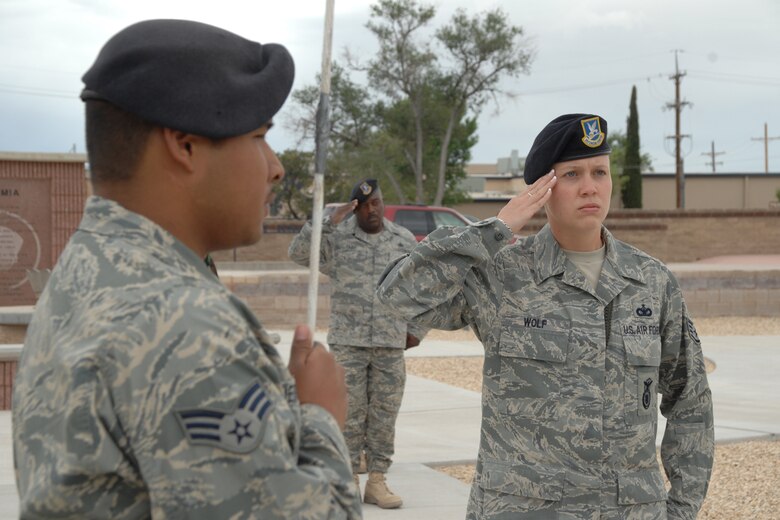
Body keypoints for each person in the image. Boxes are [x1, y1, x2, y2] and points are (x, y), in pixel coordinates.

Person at [12, 19, 361, 519]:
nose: (275, 166)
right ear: (186, 145)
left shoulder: (90, 267)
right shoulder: (186, 322)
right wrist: (319, 417)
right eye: (260, 136)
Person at [377, 114, 714, 519]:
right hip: (524, 508)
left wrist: (680, 509)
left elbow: (690, 401)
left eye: (600, 172)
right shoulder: (501, 274)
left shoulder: (652, 282)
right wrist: (495, 228)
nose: (590, 187)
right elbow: (396, 295)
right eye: (572, 174)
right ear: (541, 189)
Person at [289, 179, 426, 509]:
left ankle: (377, 480)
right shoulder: (338, 239)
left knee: (384, 413)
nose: (373, 209)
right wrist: (327, 222)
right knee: (349, 414)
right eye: (365, 205)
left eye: (376, 202)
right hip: (349, 342)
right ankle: (348, 478)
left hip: (390, 342)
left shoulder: (402, 240)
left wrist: (417, 328)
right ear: (355, 208)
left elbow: (421, 287)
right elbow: (298, 254)